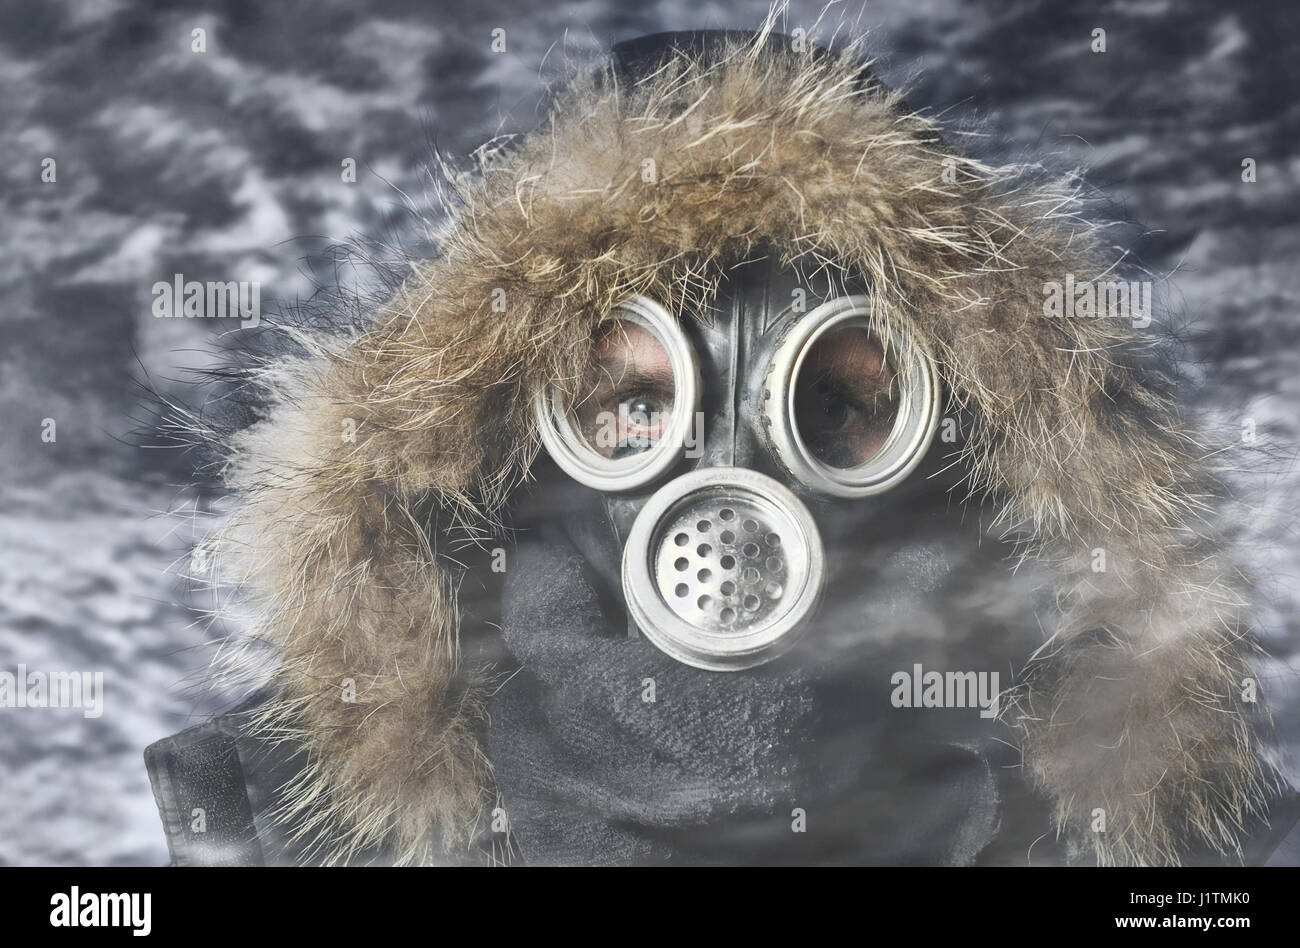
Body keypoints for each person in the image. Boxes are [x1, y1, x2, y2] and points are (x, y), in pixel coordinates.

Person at [145, 27, 1297, 866]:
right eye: (631, 404)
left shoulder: (1191, 863)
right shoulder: (273, 830)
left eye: (839, 406)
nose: (735, 478)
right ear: (510, 452)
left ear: (966, 450)